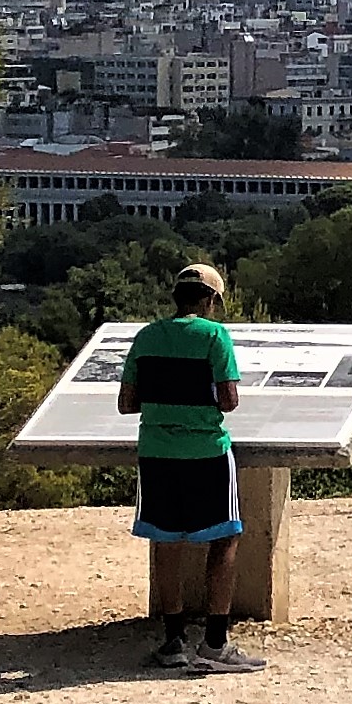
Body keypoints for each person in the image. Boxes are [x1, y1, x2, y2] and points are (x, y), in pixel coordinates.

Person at [120, 263, 264, 674]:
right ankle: (215, 642)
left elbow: (127, 403)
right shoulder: (215, 336)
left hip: (157, 451)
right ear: (212, 300)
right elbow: (229, 399)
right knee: (225, 539)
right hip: (206, 452)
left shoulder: (146, 337)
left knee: (166, 543)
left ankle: (173, 640)